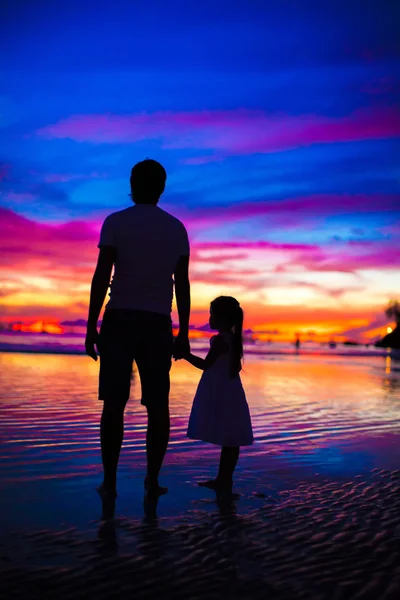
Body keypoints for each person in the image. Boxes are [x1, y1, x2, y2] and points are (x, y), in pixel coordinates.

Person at [85, 159, 191, 500]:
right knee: (157, 405)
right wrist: (184, 332)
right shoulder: (176, 228)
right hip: (157, 323)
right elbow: (182, 284)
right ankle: (152, 479)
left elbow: (102, 275)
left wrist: (91, 325)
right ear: (161, 187)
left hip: (120, 320)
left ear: (133, 184)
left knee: (113, 404)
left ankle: (111, 480)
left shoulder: (116, 222)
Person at [182, 296, 253, 493]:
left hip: (220, 391)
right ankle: (224, 479)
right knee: (230, 436)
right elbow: (235, 368)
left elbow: (205, 365)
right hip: (231, 390)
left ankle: (223, 479)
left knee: (228, 436)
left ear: (221, 318)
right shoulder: (233, 339)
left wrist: (185, 354)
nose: (209, 319)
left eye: (211, 314)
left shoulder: (221, 340)